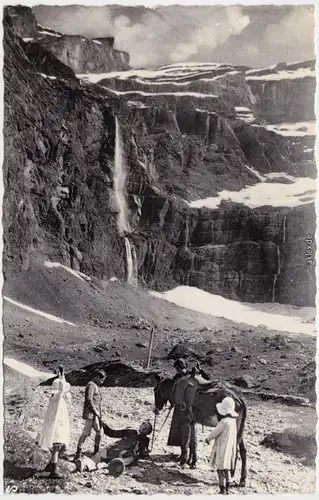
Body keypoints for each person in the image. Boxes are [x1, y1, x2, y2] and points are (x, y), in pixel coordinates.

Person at [75, 420, 153, 473]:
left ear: (148, 432)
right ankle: (84, 464)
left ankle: (106, 465)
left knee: (130, 459)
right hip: (113, 450)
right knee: (98, 456)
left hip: (125, 456)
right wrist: (104, 425)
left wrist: (144, 453)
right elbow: (112, 433)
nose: (144, 427)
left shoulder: (145, 440)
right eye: (143, 424)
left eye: (146, 428)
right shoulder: (129, 432)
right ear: (140, 425)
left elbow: (143, 452)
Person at [38, 365, 71, 479]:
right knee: (58, 444)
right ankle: (54, 470)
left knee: (57, 445)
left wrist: (61, 376)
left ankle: (51, 464)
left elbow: (63, 387)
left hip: (54, 424)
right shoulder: (58, 399)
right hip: (58, 424)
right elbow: (63, 388)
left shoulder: (53, 398)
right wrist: (61, 377)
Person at [205, 397, 238, 495]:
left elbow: (216, 432)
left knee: (220, 470)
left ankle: (222, 489)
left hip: (222, 449)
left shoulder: (223, 422)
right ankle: (228, 488)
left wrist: (208, 438)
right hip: (229, 450)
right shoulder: (233, 422)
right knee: (227, 469)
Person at [74, 370, 106, 461]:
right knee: (86, 433)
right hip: (90, 414)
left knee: (99, 433)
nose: (102, 382)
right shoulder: (91, 385)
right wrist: (95, 411)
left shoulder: (97, 386)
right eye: (102, 380)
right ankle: (78, 453)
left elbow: (98, 402)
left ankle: (96, 452)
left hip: (96, 414)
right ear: (97, 377)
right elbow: (89, 400)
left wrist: (99, 413)